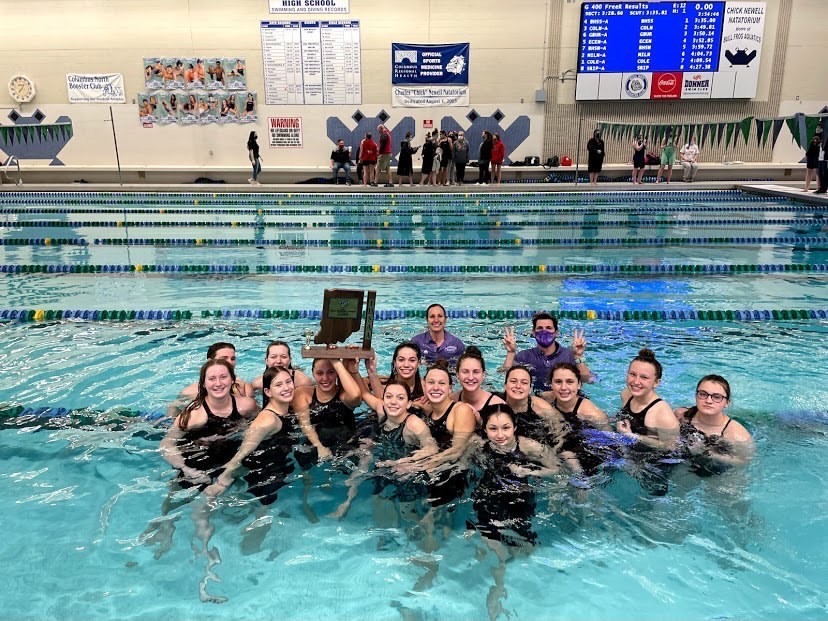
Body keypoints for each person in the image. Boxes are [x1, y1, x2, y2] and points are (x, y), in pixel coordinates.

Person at [143, 359, 259, 561]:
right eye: (211, 378)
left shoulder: (246, 406)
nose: (218, 383)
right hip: (196, 458)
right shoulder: (193, 415)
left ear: (232, 380)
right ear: (203, 384)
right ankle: (167, 526)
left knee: (212, 503)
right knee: (177, 497)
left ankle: (208, 548)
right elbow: (167, 444)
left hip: (228, 456)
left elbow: (259, 429)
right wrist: (185, 468)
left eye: (223, 377)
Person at [467, 403, 562, 620]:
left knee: (527, 548)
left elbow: (556, 468)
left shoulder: (529, 447)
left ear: (515, 427)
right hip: (487, 500)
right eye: (493, 429)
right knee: (498, 552)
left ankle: (497, 572)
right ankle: (497, 589)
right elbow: (466, 467)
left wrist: (529, 470)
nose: (500, 435)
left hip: (519, 500)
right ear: (485, 430)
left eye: (505, 428)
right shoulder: (478, 446)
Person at [329, 379, 438, 524]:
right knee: (376, 502)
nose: (393, 402)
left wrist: (407, 463)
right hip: (385, 467)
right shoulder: (383, 415)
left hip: (407, 476)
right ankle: (348, 501)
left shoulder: (414, 425)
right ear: (383, 400)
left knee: (408, 516)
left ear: (408, 403)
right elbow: (364, 393)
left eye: (400, 398)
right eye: (389, 396)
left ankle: (421, 534)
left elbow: (432, 450)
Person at [205, 366, 297, 506]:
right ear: (267, 391)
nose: (286, 387)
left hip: (272, 464)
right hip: (259, 472)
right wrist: (223, 480)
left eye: (288, 382)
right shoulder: (268, 420)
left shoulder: (284, 411)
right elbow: (242, 453)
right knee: (263, 514)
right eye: (278, 385)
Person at [292, 357, 362, 521]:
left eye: (331, 372)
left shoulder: (344, 395)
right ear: (313, 374)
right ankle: (306, 499)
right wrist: (319, 446)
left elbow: (357, 395)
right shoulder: (303, 393)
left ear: (337, 373)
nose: (325, 378)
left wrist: (337, 362)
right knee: (305, 466)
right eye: (320, 373)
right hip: (316, 440)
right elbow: (305, 424)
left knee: (355, 471)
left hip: (344, 441)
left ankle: (347, 501)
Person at [674, 374, 754, 474]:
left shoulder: (737, 435)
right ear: (696, 396)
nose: (708, 401)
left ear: (727, 403)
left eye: (717, 397)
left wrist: (707, 452)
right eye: (703, 394)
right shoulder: (681, 415)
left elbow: (743, 462)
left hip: (718, 472)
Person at [545, 362, 610, 475]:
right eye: (558, 382)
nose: (563, 387)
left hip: (588, 447)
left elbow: (610, 439)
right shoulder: (546, 399)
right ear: (551, 384)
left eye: (570, 382)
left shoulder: (591, 413)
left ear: (579, 384)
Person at [502, 312, 592, 392]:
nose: (544, 331)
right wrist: (510, 353)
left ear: (556, 333)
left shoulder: (569, 355)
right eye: (540, 328)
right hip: (537, 399)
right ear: (533, 332)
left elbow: (588, 379)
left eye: (548, 328)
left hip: (566, 396)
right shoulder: (524, 356)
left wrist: (578, 356)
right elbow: (506, 375)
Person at [173, 342, 255, 416]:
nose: (230, 362)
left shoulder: (244, 387)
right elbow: (173, 409)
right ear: (210, 361)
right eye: (224, 358)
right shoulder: (190, 392)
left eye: (232, 359)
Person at [500, 365, 565, 447]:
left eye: (524, 383)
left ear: (530, 389)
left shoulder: (541, 408)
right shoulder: (494, 402)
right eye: (513, 381)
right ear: (505, 385)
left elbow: (561, 430)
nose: (518, 386)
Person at [453, 346, 506, 424]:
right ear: (457, 375)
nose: (470, 377)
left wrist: (480, 422)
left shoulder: (498, 406)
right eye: (465, 372)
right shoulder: (451, 400)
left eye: (476, 372)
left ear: (483, 375)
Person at [410, 303, 465, 367]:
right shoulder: (416, 342)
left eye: (440, 316)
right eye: (432, 316)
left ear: (445, 319)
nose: (436, 320)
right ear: (427, 320)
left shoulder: (457, 344)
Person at [813, 125, 827, 194]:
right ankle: (822, 188)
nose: (818, 129)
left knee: (824, 174)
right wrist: (817, 133)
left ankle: (823, 188)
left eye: (819, 128)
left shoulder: (826, 136)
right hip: (820, 158)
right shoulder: (819, 136)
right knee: (820, 174)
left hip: (825, 158)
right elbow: (815, 142)